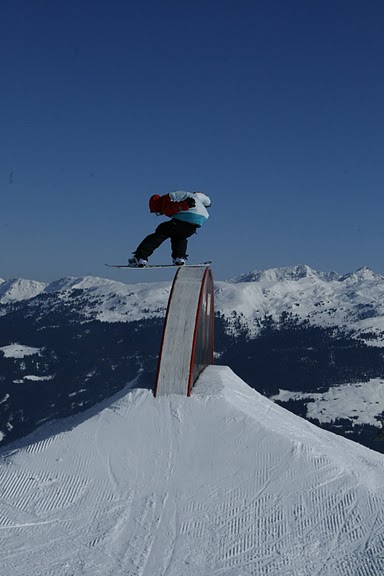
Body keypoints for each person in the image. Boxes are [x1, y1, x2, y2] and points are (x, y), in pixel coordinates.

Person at [128, 190, 211, 267]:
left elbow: (174, 207)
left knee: (162, 230)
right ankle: (179, 258)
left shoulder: (165, 200)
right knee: (179, 236)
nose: (160, 213)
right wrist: (207, 204)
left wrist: (185, 205)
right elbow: (206, 200)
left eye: (158, 212)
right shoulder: (195, 195)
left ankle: (140, 257)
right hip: (198, 221)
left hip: (188, 216)